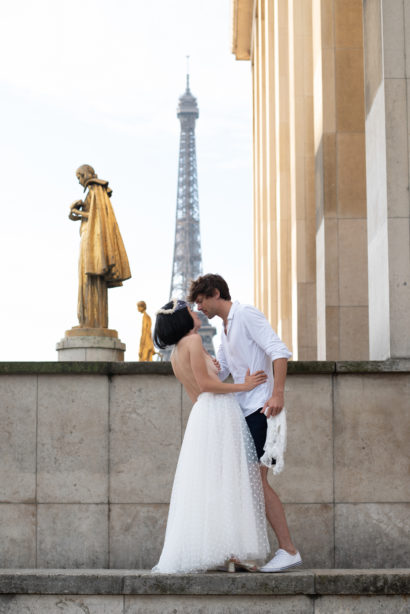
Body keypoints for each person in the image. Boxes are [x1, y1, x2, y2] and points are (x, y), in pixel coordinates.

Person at [188, 274, 302, 573]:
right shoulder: (225, 328)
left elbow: (278, 351)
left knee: (257, 482)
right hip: (244, 411)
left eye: (201, 302)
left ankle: (288, 549)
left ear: (215, 293)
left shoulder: (246, 314)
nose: (200, 309)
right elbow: (225, 369)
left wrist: (277, 394)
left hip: (262, 409)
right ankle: (243, 551)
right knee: (248, 483)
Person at [152, 298, 270, 573]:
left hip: (202, 415)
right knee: (227, 479)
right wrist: (245, 385)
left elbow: (199, 386)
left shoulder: (175, 354)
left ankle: (219, 553)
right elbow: (207, 385)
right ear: (182, 318)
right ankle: (230, 553)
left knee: (210, 483)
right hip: (216, 412)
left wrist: (213, 367)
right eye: (189, 310)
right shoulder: (193, 342)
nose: (195, 313)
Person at [69, 165, 131, 329]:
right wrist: (74, 213)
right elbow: (91, 216)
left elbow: (95, 215)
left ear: (86, 175)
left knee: (91, 280)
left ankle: (92, 321)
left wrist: (76, 210)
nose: (79, 182)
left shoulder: (96, 189)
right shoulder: (94, 191)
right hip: (89, 238)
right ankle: (88, 321)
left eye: (79, 177)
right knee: (88, 279)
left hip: (92, 241)